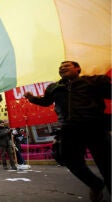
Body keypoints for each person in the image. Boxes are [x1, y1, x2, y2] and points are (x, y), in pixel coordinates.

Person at [24, 61, 111, 201]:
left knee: (106, 164)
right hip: (70, 129)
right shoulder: (54, 87)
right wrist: (31, 98)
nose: (62, 68)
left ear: (77, 69)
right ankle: (95, 184)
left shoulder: (92, 81)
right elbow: (45, 102)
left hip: (95, 126)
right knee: (69, 160)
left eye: (66, 66)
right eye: (60, 68)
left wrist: (105, 82)